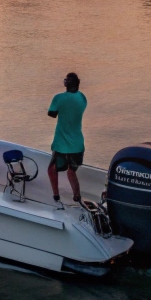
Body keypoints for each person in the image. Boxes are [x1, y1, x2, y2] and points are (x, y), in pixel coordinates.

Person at [46, 73, 88, 208]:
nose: (64, 80)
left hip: (62, 144)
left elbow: (51, 113)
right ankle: (77, 197)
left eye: (66, 79)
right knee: (71, 171)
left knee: (52, 169)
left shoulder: (59, 98)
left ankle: (56, 197)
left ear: (67, 83)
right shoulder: (82, 97)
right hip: (77, 144)